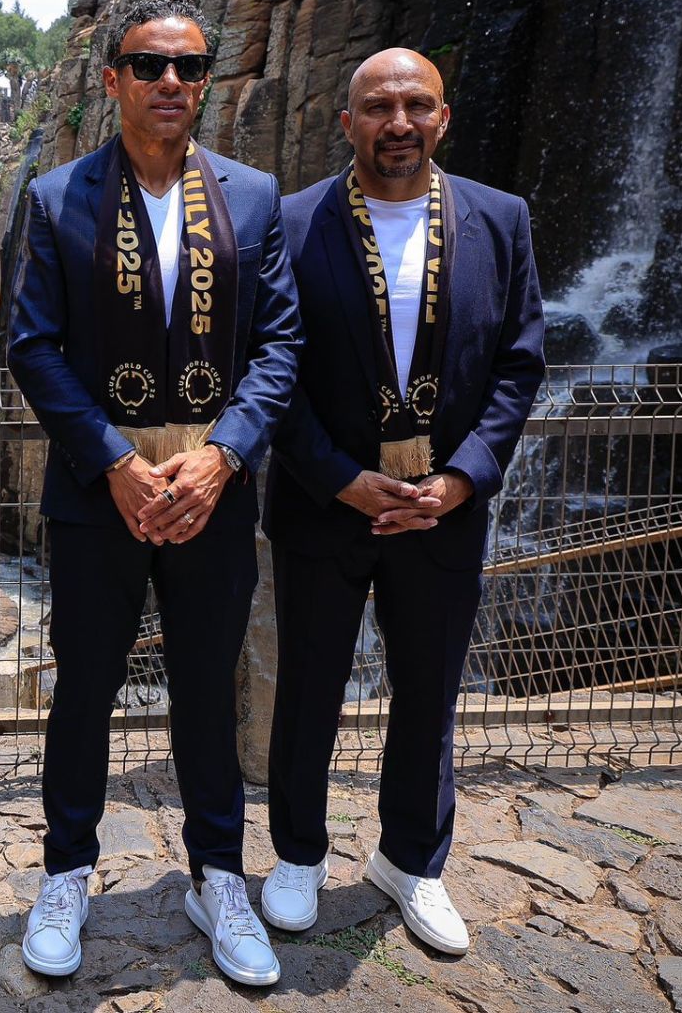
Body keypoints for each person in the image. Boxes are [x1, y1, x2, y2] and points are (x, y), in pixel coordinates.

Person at [7, 0, 300, 987]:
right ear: (113, 80)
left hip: (213, 492)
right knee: (84, 688)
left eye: (189, 66)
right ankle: (66, 872)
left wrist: (224, 456)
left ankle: (218, 875)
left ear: (206, 82)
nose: (169, 81)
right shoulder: (59, 198)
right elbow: (33, 346)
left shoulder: (253, 198)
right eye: (148, 65)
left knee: (209, 690)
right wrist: (115, 462)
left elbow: (281, 344)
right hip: (103, 495)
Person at [259, 48, 545, 956]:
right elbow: (269, 367)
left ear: (442, 117)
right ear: (347, 123)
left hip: (442, 510)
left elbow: (519, 363)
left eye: (416, 105)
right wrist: (338, 477)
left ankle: (411, 861)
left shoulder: (501, 219)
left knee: (429, 692)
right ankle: (299, 853)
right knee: (308, 687)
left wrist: (460, 479)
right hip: (324, 503)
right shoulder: (290, 221)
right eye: (379, 108)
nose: (398, 123)